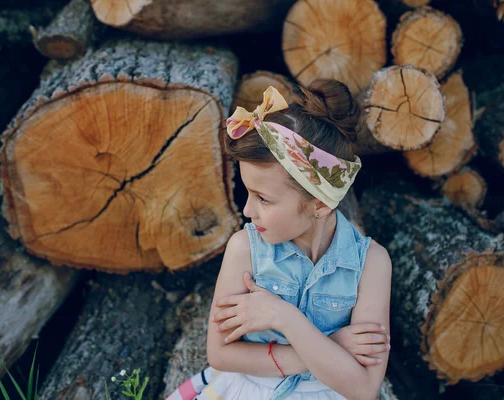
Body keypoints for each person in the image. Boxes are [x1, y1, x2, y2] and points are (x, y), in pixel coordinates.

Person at [166, 79, 392, 400]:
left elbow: (364, 387)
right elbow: (220, 354)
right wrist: (332, 346)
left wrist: (283, 317)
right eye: (248, 193)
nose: (246, 210)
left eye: (263, 199)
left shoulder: (371, 263)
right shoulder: (244, 250)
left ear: (320, 204)